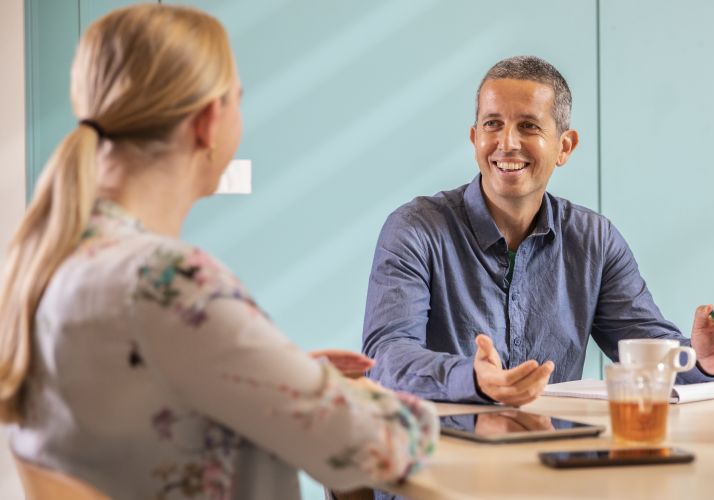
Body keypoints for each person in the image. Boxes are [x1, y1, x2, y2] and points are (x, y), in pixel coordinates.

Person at [0, 5, 437, 499]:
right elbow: (386, 443)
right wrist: (366, 399)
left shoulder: (54, 259)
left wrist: (282, 377)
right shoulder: (170, 280)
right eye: (238, 100)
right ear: (209, 121)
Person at [362, 55, 714, 406]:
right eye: (492, 124)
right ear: (474, 138)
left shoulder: (595, 240)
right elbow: (386, 355)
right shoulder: (415, 229)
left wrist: (703, 359)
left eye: (529, 126)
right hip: (436, 462)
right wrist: (473, 379)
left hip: (552, 459)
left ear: (565, 146)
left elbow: (645, 351)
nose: (507, 143)